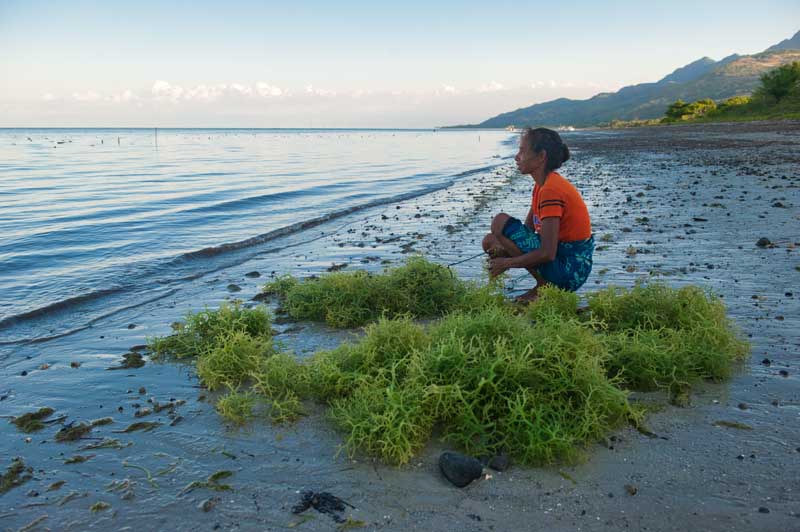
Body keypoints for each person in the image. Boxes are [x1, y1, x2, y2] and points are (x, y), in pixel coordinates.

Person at [483, 127, 594, 301]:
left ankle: (545, 287)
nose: (516, 157)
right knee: (490, 241)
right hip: (561, 263)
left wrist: (507, 263)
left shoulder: (551, 190)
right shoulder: (541, 186)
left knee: (499, 221)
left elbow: (547, 253)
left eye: (522, 150)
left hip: (569, 270)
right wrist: (503, 251)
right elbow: (528, 230)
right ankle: (543, 285)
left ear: (541, 156)